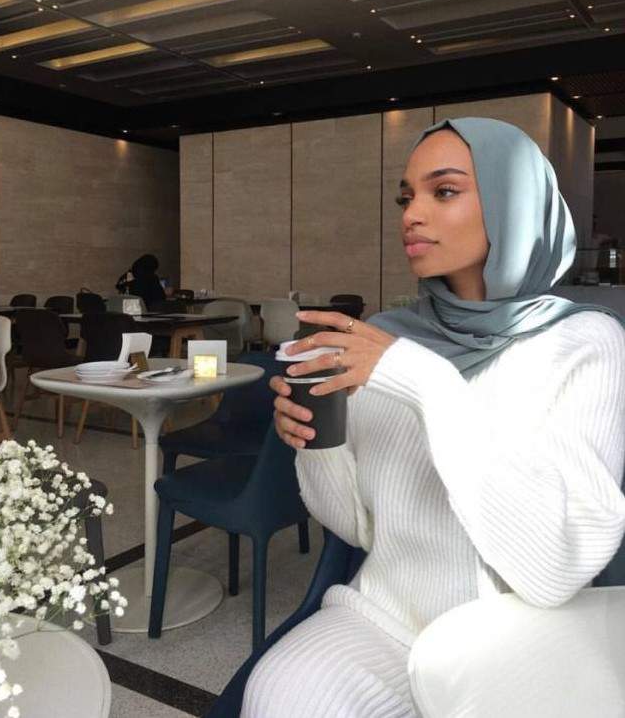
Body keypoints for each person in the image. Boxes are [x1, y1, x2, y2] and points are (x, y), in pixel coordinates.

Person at [241, 118, 625, 717]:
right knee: (277, 692)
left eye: (444, 191)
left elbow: (554, 572)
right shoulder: (385, 338)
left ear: (516, 204)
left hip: (521, 637)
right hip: (385, 619)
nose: (411, 215)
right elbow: (359, 529)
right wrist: (318, 445)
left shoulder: (584, 342)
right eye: (406, 197)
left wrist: (423, 380)